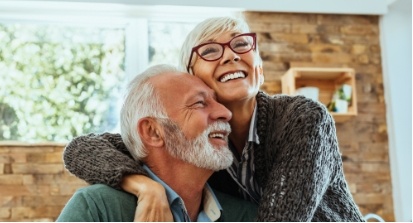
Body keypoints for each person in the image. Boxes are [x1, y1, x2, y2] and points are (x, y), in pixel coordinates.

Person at [63, 16, 365, 221]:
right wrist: (145, 186)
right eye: (209, 50)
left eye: (241, 44)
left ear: (259, 67)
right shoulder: (201, 146)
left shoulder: (302, 119)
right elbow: (82, 148)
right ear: (193, 78)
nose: (230, 56)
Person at [57, 64, 258, 222]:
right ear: (153, 132)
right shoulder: (97, 208)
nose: (225, 113)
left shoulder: (248, 216)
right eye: (199, 103)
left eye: (217, 102)